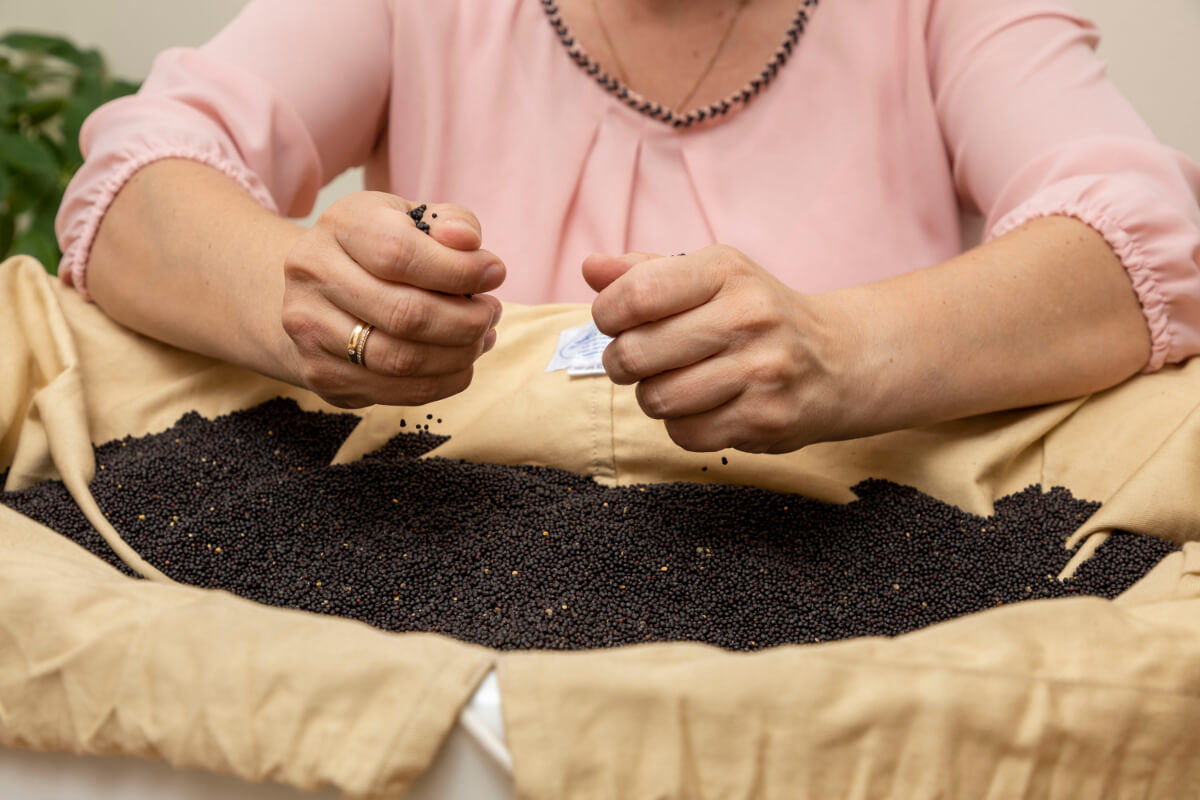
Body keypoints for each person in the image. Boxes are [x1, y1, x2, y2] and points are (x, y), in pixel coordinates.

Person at [56, 0, 1200, 454]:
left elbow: (1147, 243)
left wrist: (843, 352)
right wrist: (294, 289)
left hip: (845, 616)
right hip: (447, 606)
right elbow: (131, 189)